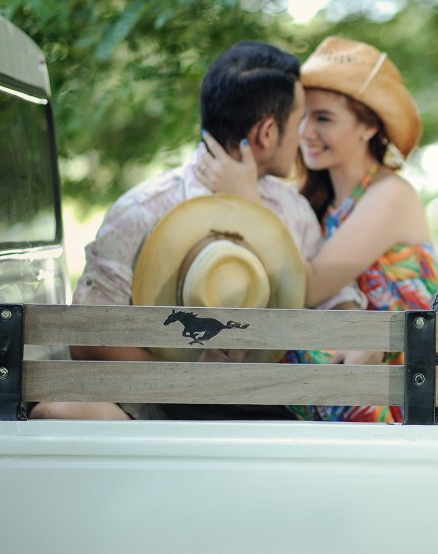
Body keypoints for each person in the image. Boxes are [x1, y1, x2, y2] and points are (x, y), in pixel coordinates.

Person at [30, 40, 363, 421]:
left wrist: (355, 334)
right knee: (59, 412)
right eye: (299, 119)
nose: (303, 135)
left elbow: (336, 298)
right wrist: (188, 383)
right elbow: (88, 337)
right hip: (159, 406)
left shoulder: (291, 209)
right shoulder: (146, 210)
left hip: (266, 407)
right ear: (268, 133)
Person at [196, 36, 438, 422]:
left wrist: (247, 200)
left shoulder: (389, 194)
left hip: (404, 378)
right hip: (346, 363)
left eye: (324, 119)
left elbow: (308, 287)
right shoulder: (311, 202)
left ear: (368, 126)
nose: (306, 132)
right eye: (303, 117)